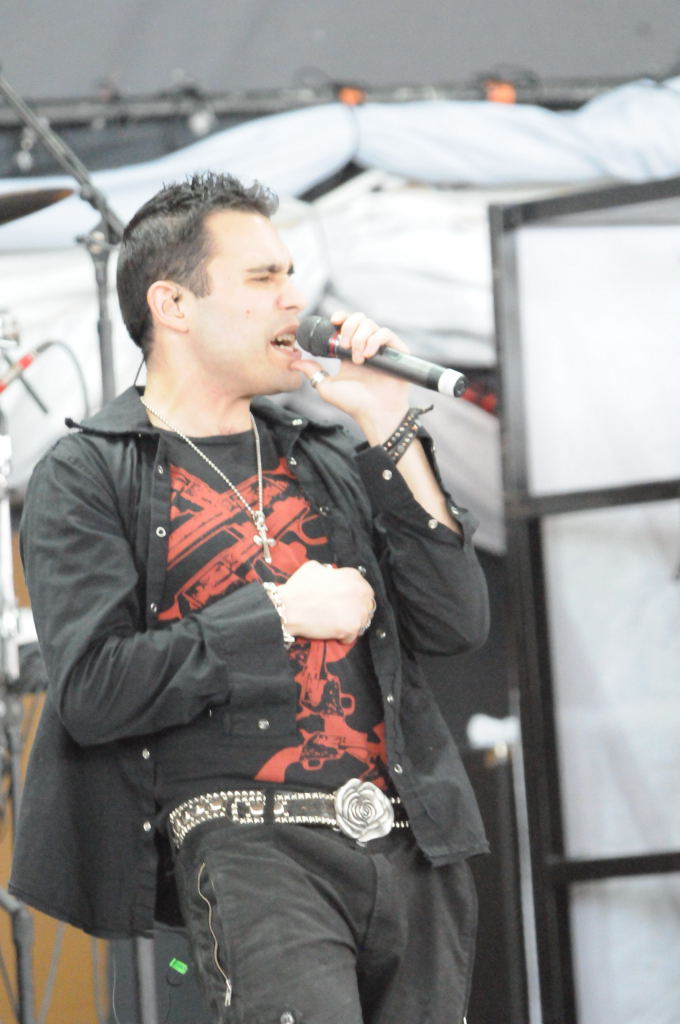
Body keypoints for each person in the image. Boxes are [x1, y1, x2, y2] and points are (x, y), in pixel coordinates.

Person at [11, 171, 490, 1024]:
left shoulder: (330, 453)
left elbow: (456, 623)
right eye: (264, 278)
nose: (294, 300)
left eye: (291, 276)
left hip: (412, 841)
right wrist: (276, 614)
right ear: (173, 304)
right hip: (250, 846)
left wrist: (390, 425)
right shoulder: (89, 474)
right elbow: (92, 691)